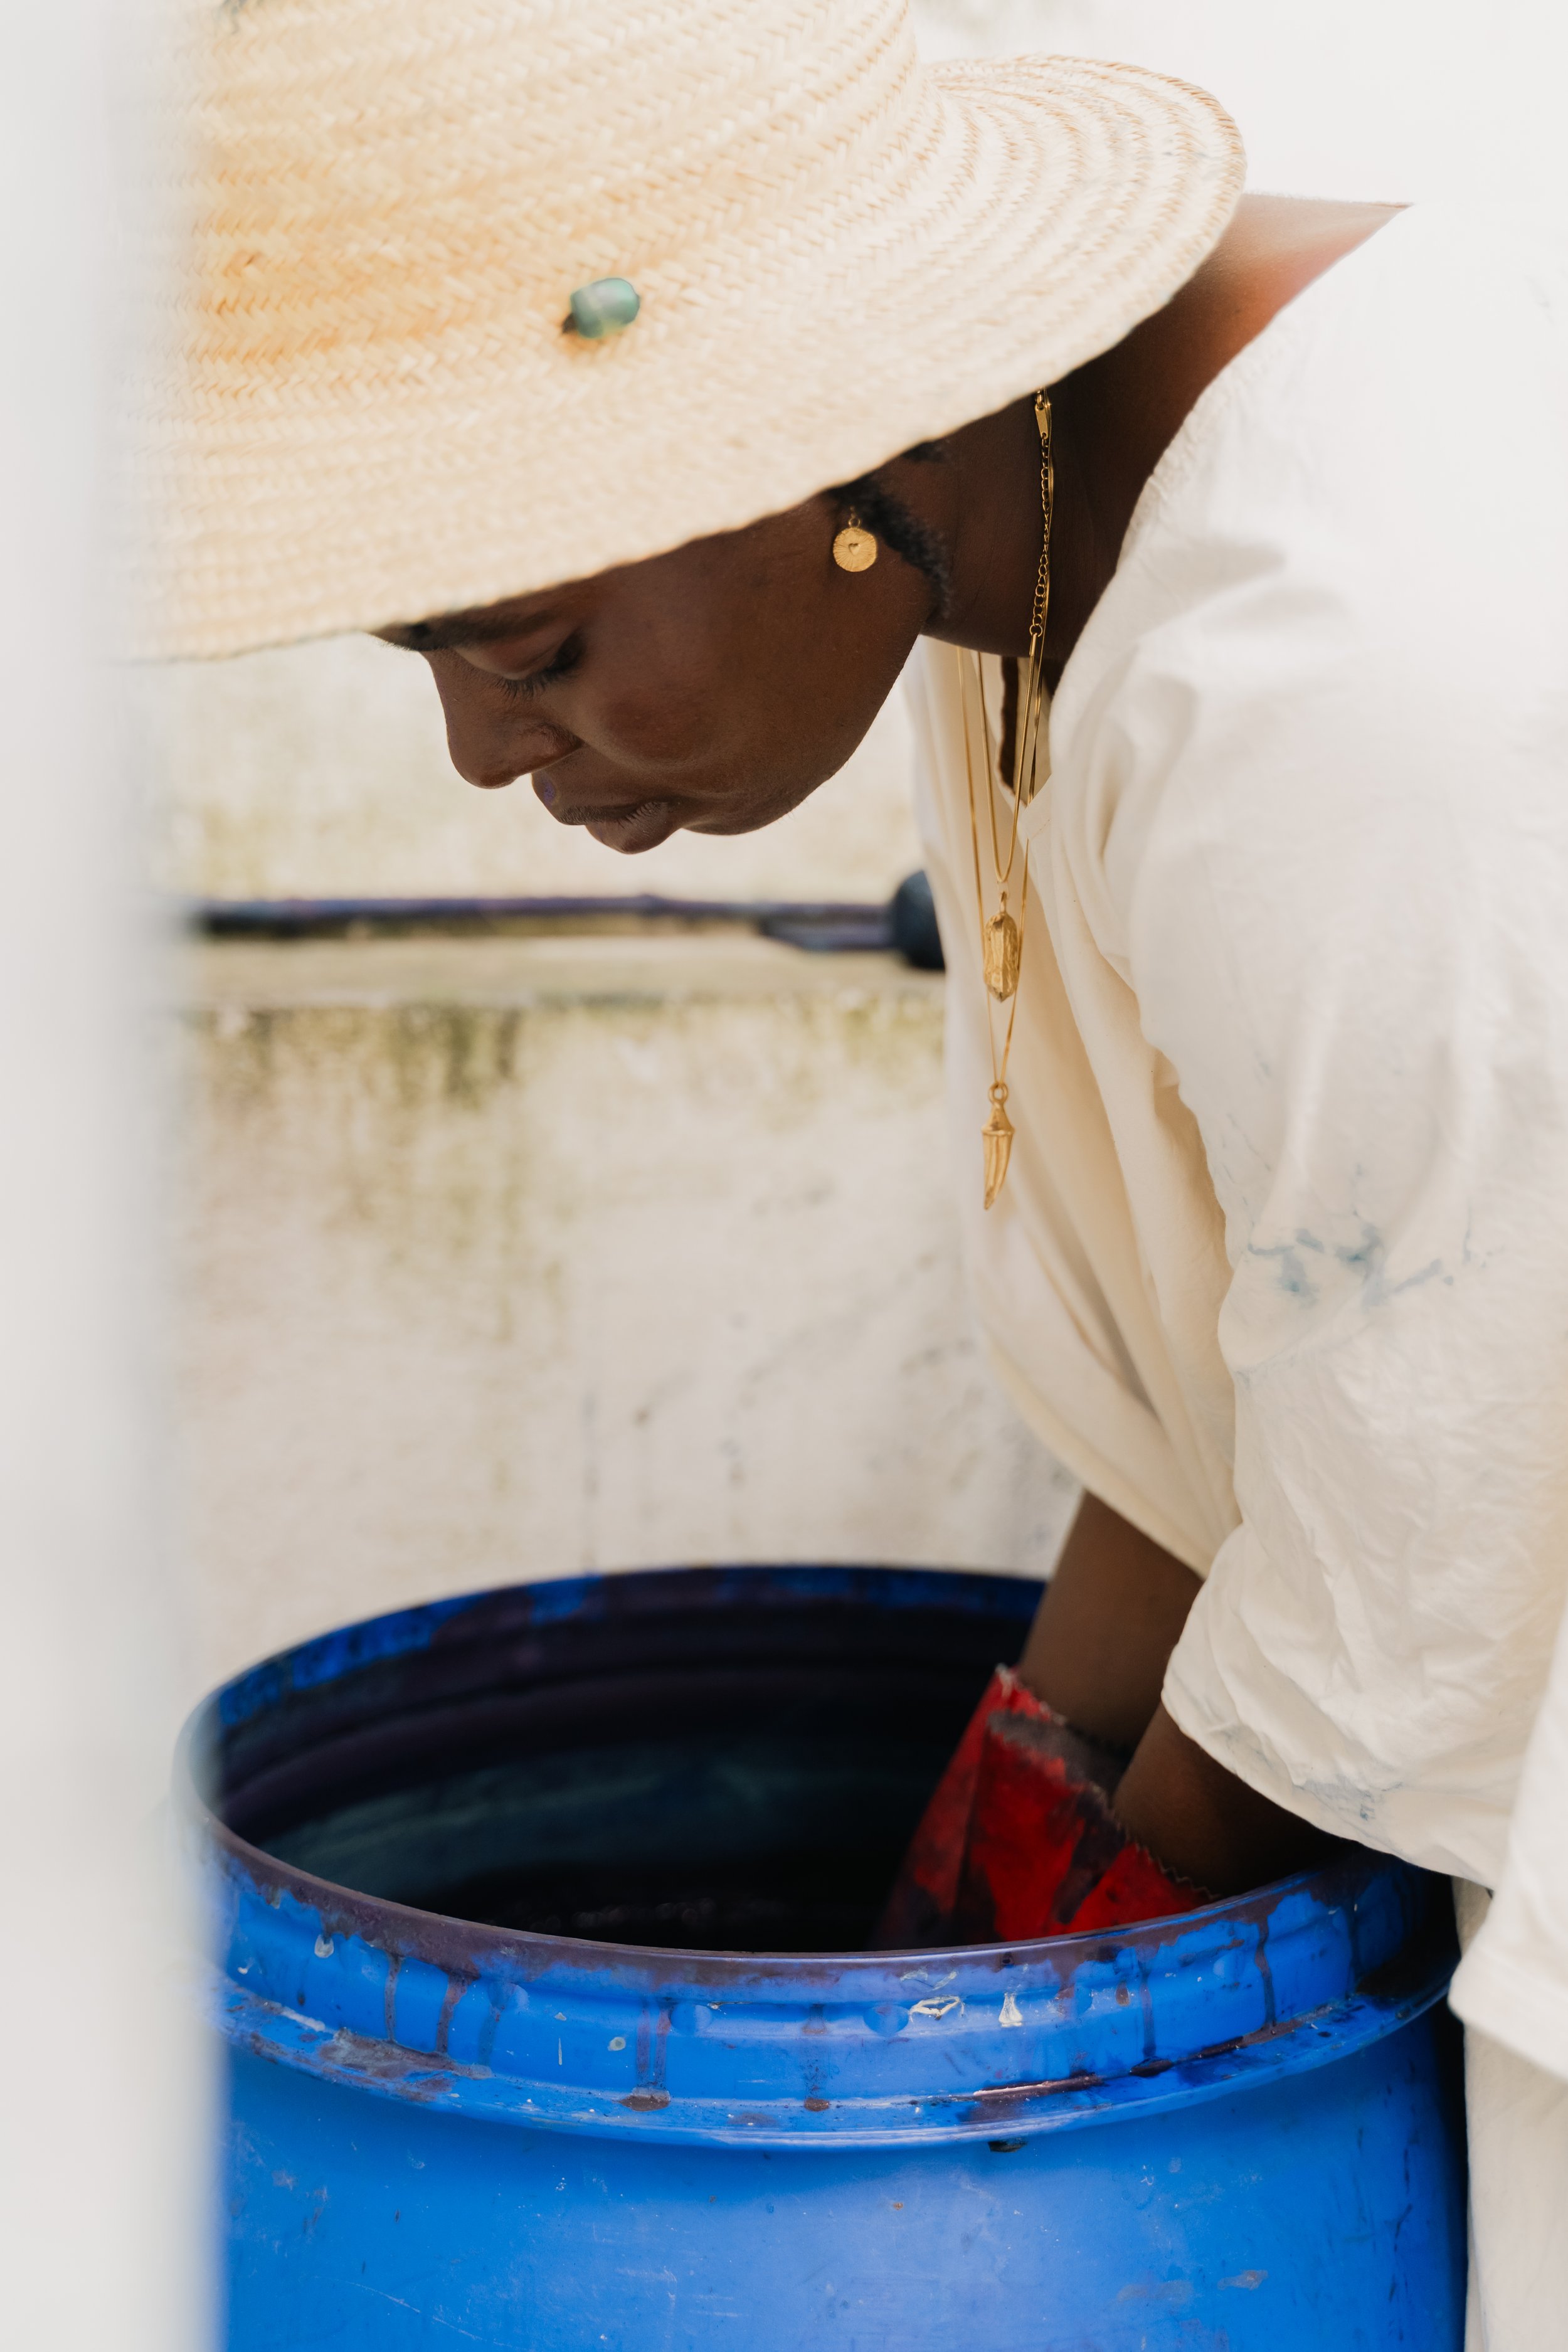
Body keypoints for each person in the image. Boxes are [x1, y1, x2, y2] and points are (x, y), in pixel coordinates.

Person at [139, 0, 1568, 2341]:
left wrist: (1009, 2030)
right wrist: (990, 1852)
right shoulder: (1016, 522)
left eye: (532, 646)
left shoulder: (1359, 667)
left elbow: (1427, 1539)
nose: (485, 754)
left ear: (813, 426)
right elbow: (1245, 1368)